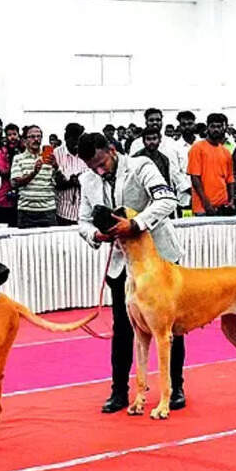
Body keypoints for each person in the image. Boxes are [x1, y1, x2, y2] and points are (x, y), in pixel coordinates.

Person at [75, 133, 189, 413]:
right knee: (123, 329)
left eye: (101, 163)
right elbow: (82, 221)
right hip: (121, 264)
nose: (98, 171)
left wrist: (136, 223)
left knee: (169, 327)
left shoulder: (141, 167)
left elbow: (167, 200)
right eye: (93, 167)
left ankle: (175, 387)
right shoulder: (87, 180)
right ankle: (119, 391)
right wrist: (96, 235)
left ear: (112, 150)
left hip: (159, 256)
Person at [130, 108, 192, 208]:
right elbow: (132, 171)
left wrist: (187, 189)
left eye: (158, 120)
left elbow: (177, 171)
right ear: (146, 121)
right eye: (151, 120)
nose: (155, 122)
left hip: (170, 193)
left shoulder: (172, 144)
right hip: (144, 194)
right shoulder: (136, 144)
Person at [10, 125, 60, 228]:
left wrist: (56, 166)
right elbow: (15, 183)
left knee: (50, 243)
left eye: (39, 136)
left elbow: (60, 183)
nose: (36, 139)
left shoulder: (49, 157)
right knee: (25, 244)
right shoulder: (18, 158)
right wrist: (34, 173)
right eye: (32, 137)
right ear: (24, 140)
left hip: (48, 209)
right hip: (26, 211)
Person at [187, 113, 235, 215]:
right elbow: (195, 178)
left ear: (224, 128)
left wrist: (231, 201)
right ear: (207, 128)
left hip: (223, 206)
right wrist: (206, 203)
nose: (216, 129)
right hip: (203, 208)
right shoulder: (197, 148)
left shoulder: (226, 152)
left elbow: (230, 179)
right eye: (213, 126)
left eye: (219, 126)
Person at [54, 123, 89, 226]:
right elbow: (53, 183)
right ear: (66, 138)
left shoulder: (86, 153)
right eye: (74, 139)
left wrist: (81, 180)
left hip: (84, 212)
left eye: (79, 139)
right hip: (62, 211)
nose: (77, 143)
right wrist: (71, 182)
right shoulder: (56, 154)